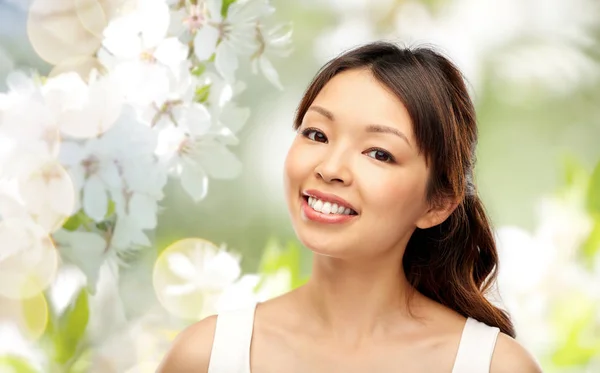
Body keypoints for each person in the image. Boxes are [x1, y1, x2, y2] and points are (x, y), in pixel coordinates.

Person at [157, 41, 543, 373]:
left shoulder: (495, 365)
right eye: (317, 134)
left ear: (437, 203)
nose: (330, 169)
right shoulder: (205, 356)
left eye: (379, 153)